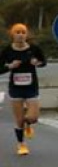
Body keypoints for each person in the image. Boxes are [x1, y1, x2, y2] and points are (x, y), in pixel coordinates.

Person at [1, 23, 46, 156]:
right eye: (17, 32)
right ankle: (21, 144)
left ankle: (29, 124)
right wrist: (10, 66)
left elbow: (44, 62)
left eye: (23, 32)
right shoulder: (7, 50)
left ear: (26, 34)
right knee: (19, 120)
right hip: (15, 88)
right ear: (12, 35)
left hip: (31, 87)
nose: (20, 35)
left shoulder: (34, 49)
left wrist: (37, 63)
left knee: (33, 117)